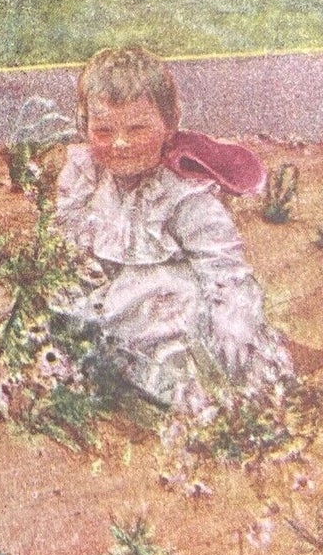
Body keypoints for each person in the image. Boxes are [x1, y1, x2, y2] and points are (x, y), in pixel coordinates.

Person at [53, 45, 293, 412]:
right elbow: (70, 237)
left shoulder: (180, 193)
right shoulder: (87, 174)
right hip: (108, 292)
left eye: (137, 128)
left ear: (169, 123)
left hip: (172, 301)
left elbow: (224, 268)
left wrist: (232, 321)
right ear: (84, 125)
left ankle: (188, 394)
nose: (120, 143)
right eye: (103, 130)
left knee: (177, 325)